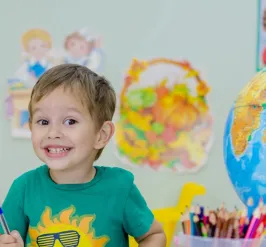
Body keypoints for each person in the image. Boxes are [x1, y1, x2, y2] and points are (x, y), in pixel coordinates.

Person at [0, 64, 166, 247]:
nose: (53, 132)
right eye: (43, 121)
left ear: (101, 135)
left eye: (70, 121)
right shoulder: (23, 189)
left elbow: (153, 235)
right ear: (31, 127)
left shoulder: (120, 188)